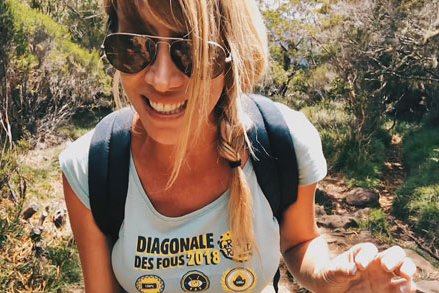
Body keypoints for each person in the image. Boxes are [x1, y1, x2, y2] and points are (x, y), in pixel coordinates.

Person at [58, 0, 418, 291]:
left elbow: (298, 242)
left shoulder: (284, 141)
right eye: (133, 45)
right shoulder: (90, 168)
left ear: (232, 55)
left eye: (193, 49)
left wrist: (330, 276)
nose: (161, 79)